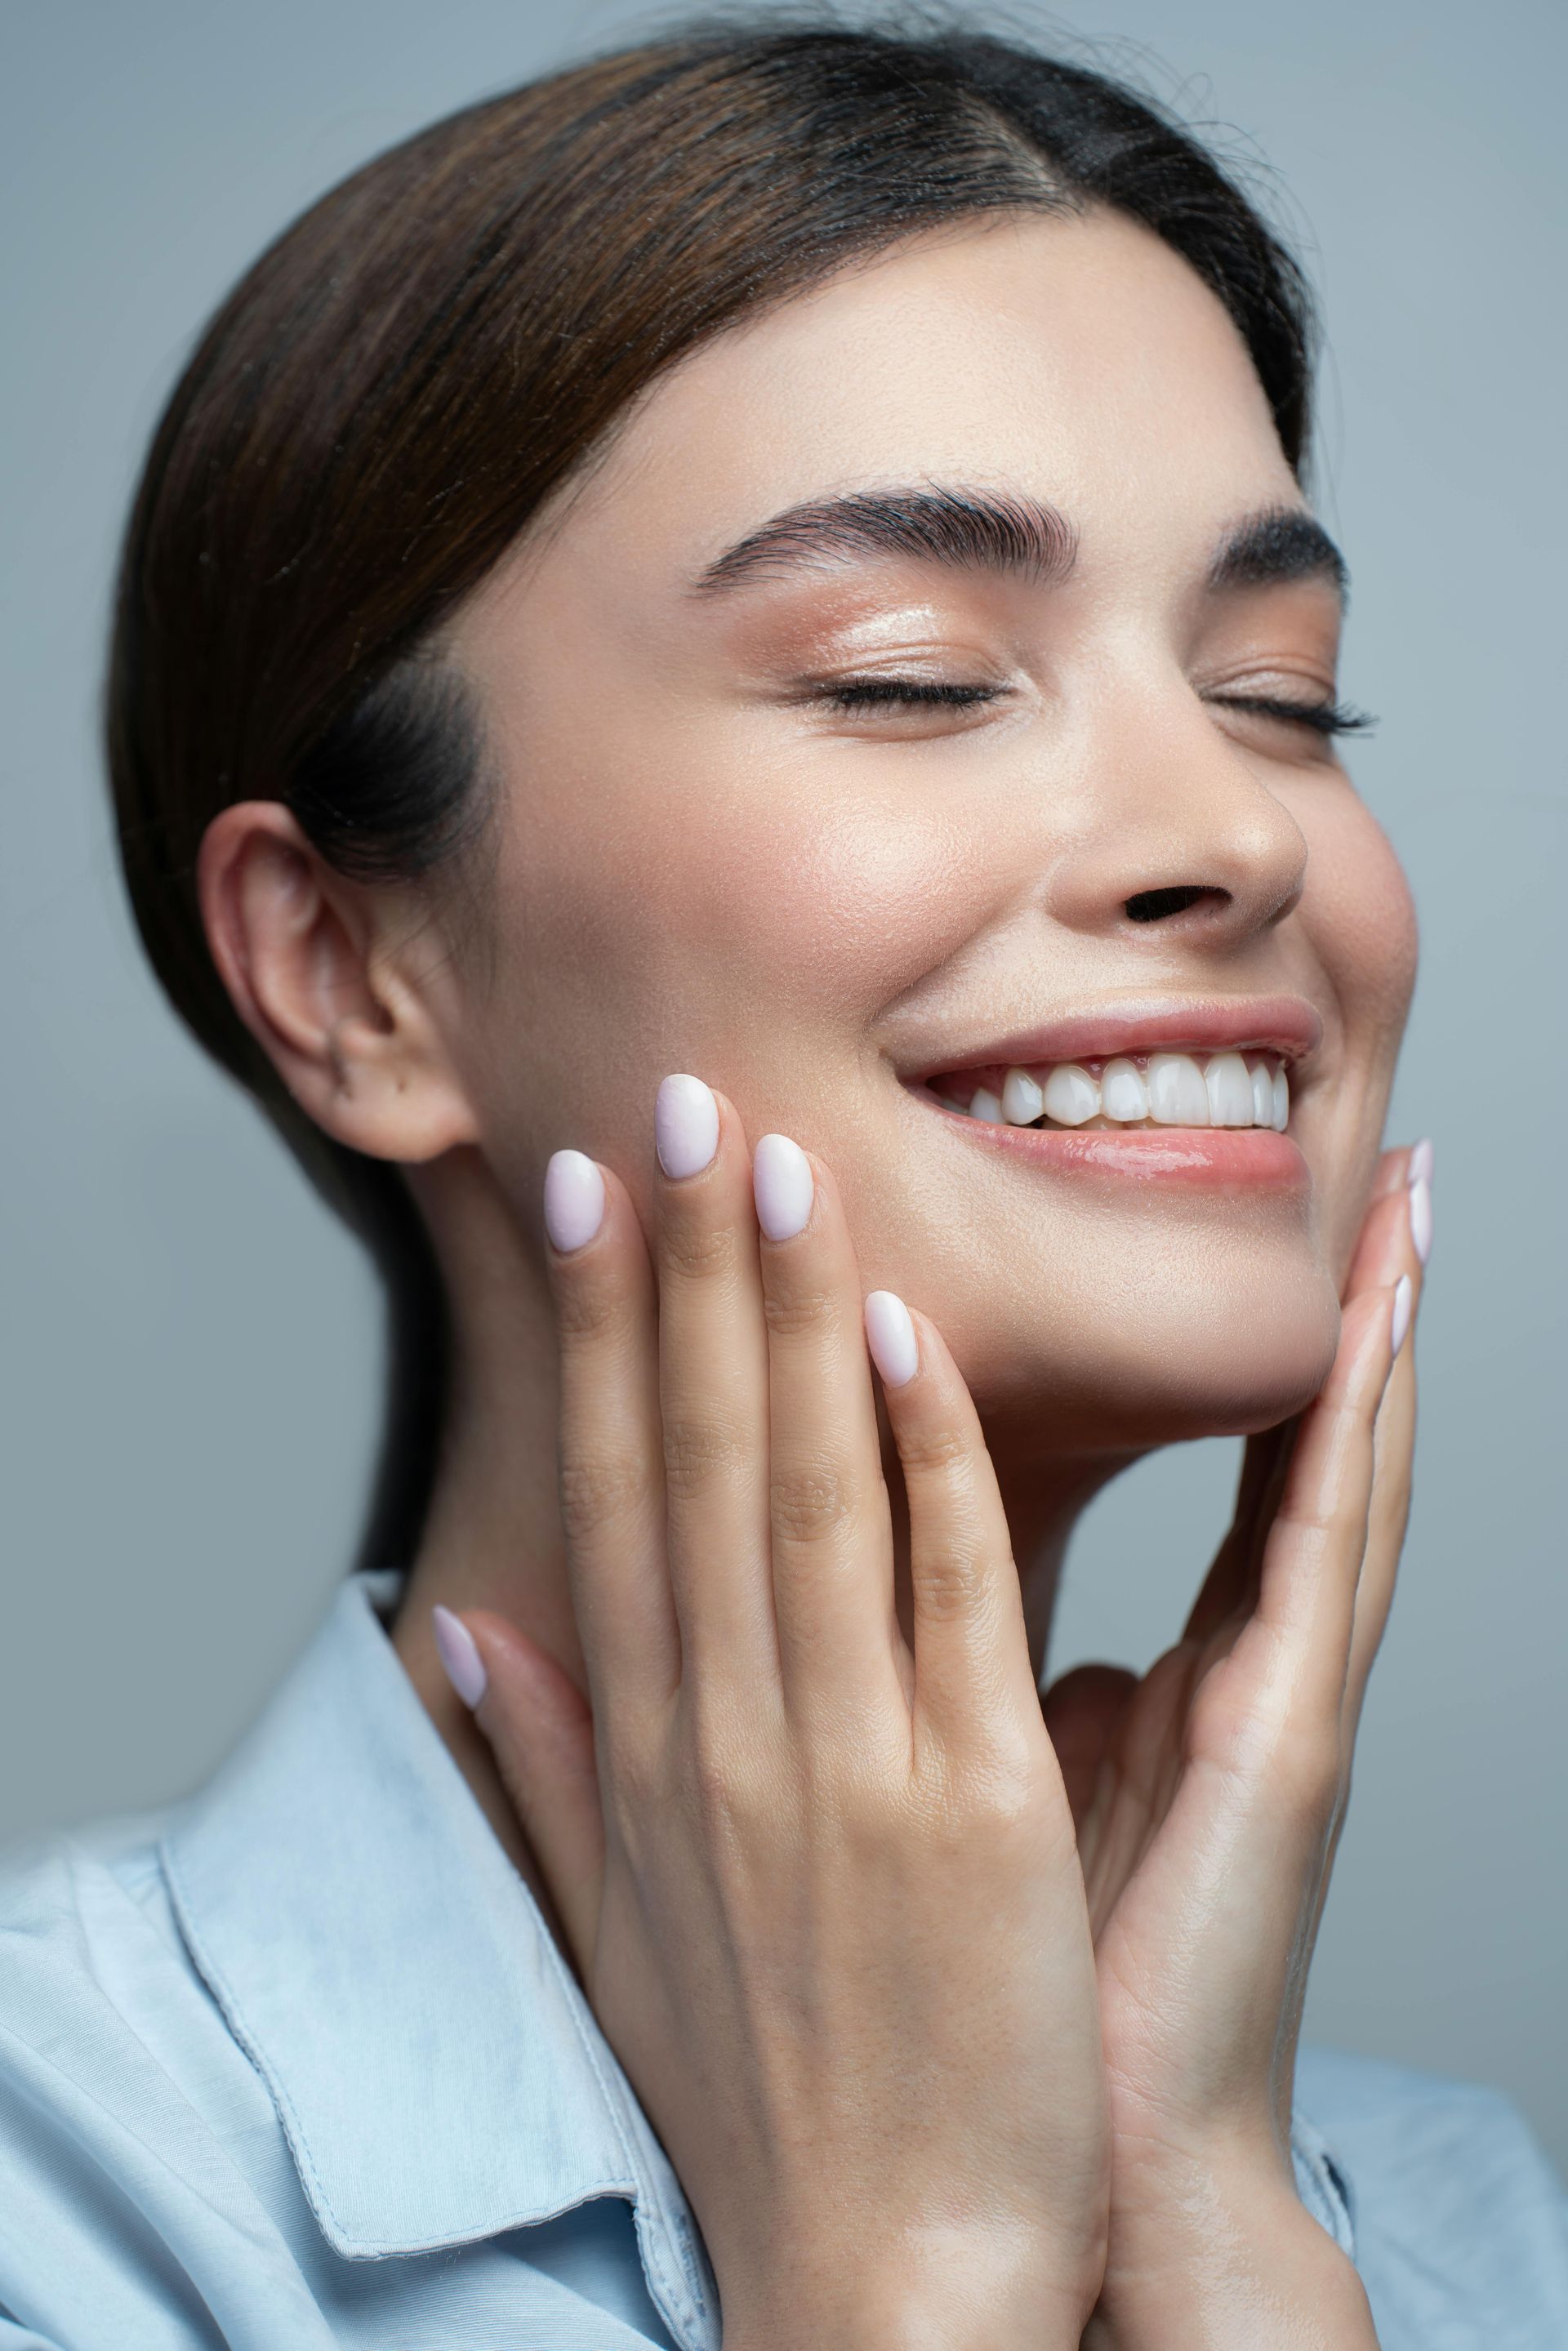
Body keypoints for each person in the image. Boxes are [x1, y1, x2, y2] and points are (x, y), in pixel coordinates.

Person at [2, 16, 1563, 2348]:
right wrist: (906, 2288)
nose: (1240, 834)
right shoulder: (65, 2192)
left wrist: (1222, 2257)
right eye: (912, 676)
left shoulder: (1456, 2237)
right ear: (349, 973)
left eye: (1281, 692)